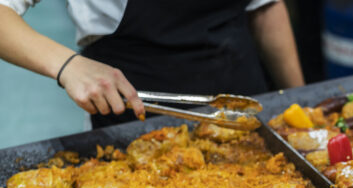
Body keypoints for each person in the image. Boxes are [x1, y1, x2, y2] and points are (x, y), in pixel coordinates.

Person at [0, 0, 305, 128]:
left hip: (239, 112)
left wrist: (301, 101)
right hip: (134, 125)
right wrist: (67, 65)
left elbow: (265, 8)